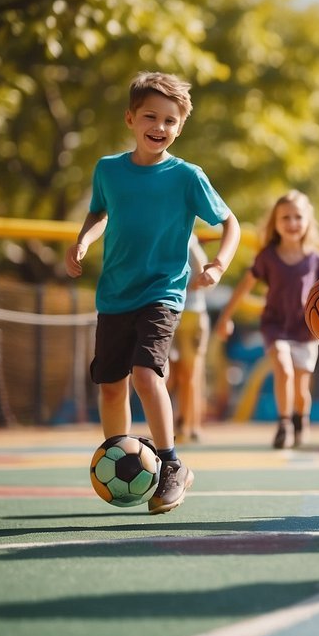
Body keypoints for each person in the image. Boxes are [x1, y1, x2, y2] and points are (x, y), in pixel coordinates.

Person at [66, 71, 239, 515]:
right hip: (114, 295)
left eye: (169, 121)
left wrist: (219, 264)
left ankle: (170, 463)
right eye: (150, 116)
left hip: (163, 292)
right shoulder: (108, 170)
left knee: (146, 375)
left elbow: (229, 223)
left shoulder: (187, 177)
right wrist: (84, 240)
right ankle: (119, 455)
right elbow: (100, 212)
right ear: (130, 118)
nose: (159, 127)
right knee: (110, 387)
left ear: (180, 128)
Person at [217, 190, 319, 449]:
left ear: (307, 222)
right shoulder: (267, 256)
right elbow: (244, 286)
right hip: (275, 325)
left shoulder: (316, 259)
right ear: (275, 223)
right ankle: (284, 424)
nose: (292, 223)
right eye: (285, 218)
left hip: (306, 329)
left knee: (302, 389)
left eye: (297, 217)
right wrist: (225, 316)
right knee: (283, 367)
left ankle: (300, 419)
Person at [168, 234, 210, 443]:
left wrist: (179, 288)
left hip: (189, 312)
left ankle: (188, 424)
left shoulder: (188, 238)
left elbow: (203, 272)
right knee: (175, 375)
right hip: (170, 312)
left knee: (189, 374)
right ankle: (180, 423)